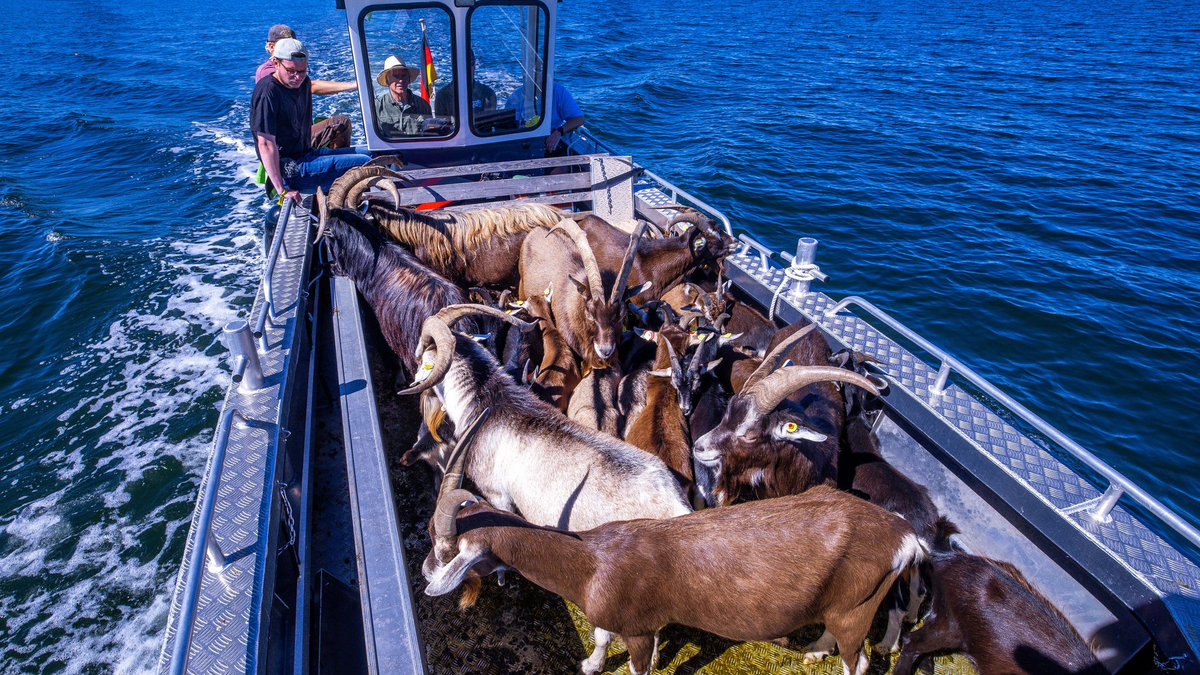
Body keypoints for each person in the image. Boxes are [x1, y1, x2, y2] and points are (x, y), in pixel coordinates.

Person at [251, 38, 369, 204]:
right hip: (292, 171)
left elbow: (315, 85)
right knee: (367, 164)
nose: (297, 76)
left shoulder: (303, 83)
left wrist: (354, 85)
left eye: (302, 71)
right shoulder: (267, 92)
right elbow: (265, 144)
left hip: (307, 154)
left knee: (371, 154)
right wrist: (282, 190)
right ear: (276, 63)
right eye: (291, 71)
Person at [254, 24, 358, 150]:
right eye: (285, 44)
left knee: (340, 127)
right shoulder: (268, 73)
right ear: (271, 47)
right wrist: (353, 85)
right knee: (340, 123)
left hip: (300, 132)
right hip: (289, 143)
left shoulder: (295, 69)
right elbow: (311, 86)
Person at [505, 81, 584, 156]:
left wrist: (558, 132)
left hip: (550, 138)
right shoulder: (515, 97)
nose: (538, 82)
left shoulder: (559, 92)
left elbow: (579, 118)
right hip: (524, 142)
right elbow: (508, 127)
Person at [374, 56, 431, 137]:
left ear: (408, 79)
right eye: (396, 76)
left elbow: (430, 135)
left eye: (404, 76)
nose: (400, 80)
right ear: (387, 80)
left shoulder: (423, 105)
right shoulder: (377, 106)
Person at [433, 51, 496, 118]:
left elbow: (489, 121)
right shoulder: (442, 96)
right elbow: (441, 123)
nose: (466, 68)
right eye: (461, 64)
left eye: (470, 63)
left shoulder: (488, 94)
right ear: (455, 67)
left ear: (475, 65)